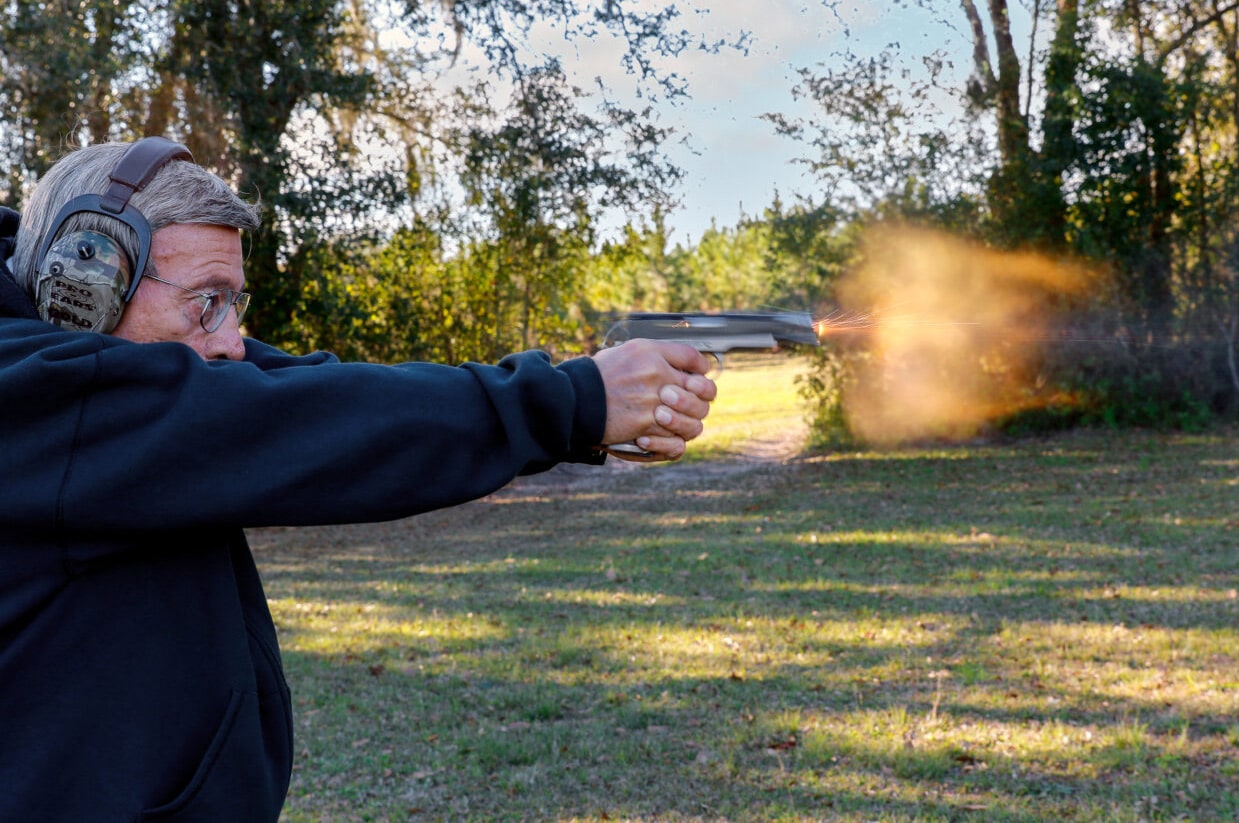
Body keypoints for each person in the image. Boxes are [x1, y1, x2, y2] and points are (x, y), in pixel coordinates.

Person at [0, 138, 716, 820]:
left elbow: (316, 393)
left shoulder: (84, 385)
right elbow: (300, 424)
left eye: (234, 302)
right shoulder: (29, 403)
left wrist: (581, 404)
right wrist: (575, 399)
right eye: (207, 300)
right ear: (82, 286)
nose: (230, 338)